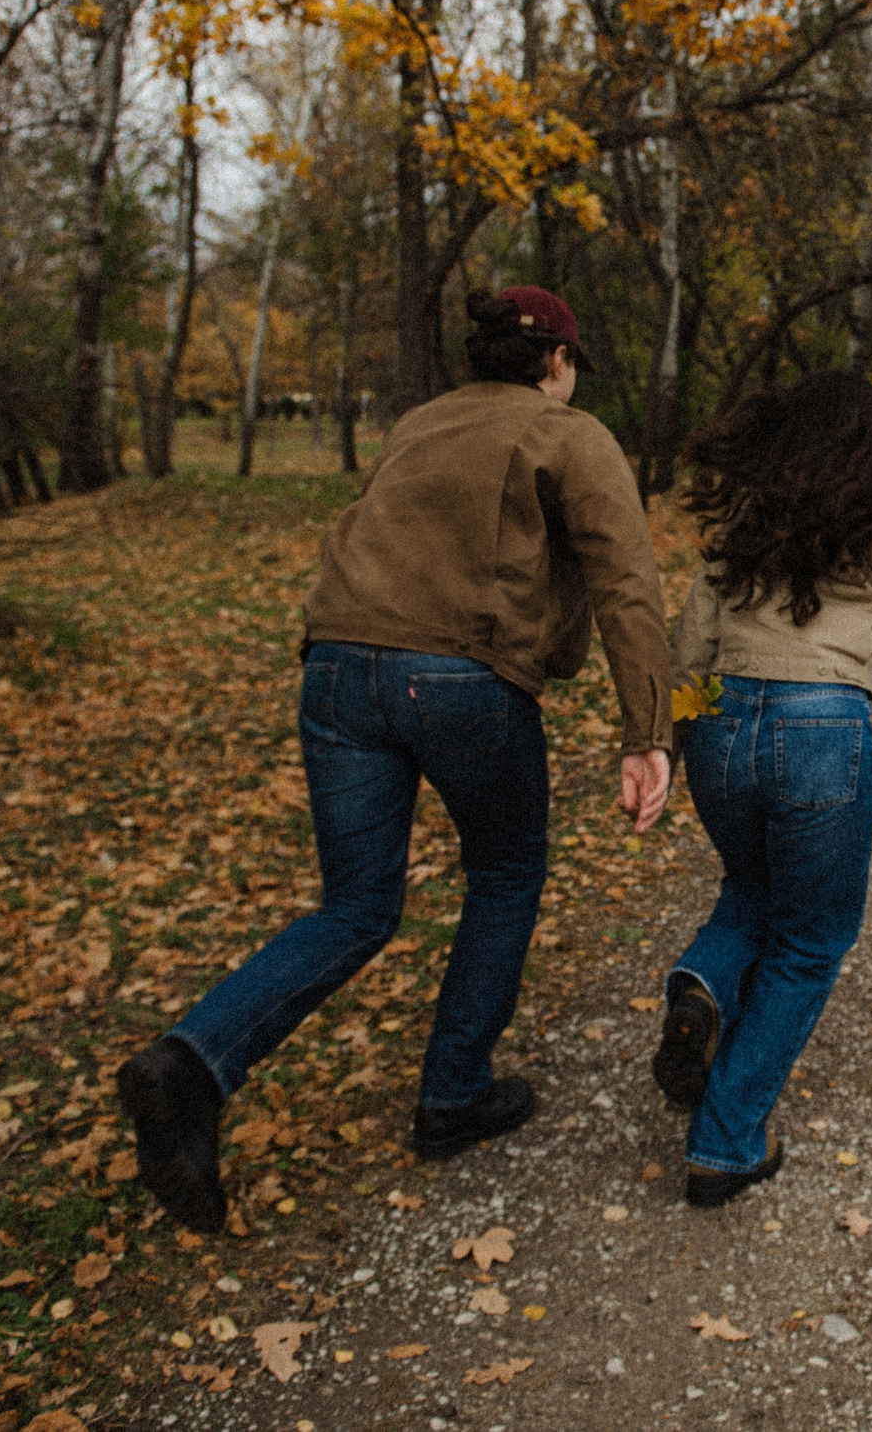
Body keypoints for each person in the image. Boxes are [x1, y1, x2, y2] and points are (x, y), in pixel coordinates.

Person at [118, 286, 674, 1234]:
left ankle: (187, 1063)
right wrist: (648, 731)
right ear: (557, 361)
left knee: (357, 904)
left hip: (336, 667)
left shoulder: (419, 424)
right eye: (570, 364)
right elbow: (626, 578)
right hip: (459, 678)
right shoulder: (569, 433)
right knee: (506, 871)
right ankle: (454, 1092)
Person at [653, 371, 872, 1205]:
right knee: (810, 938)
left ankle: (702, 984)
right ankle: (725, 1142)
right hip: (825, 728)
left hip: (723, 720)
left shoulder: (743, 525)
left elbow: (689, 651)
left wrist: (684, 740)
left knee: (751, 886)